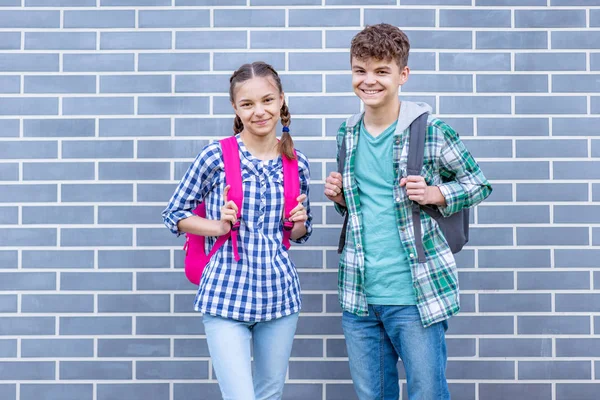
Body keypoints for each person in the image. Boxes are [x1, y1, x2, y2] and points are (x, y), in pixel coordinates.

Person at [324, 24, 492, 400]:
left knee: (427, 393)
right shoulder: (347, 133)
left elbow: (478, 184)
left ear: (403, 75)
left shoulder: (432, 131)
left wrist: (435, 193)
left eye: (381, 71)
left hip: (415, 295)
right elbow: (365, 209)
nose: (369, 81)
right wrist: (340, 198)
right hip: (360, 296)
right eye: (360, 70)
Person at [162, 61, 312, 400]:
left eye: (268, 100)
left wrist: (299, 221)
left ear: (281, 101)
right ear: (235, 108)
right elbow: (174, 213)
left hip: (279, 297)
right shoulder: (215, 155)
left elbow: (300, 233)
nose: (259, 111)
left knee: (269, 394)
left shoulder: (296, 162)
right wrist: (217, 225)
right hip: (226, 296)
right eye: (247, 104)